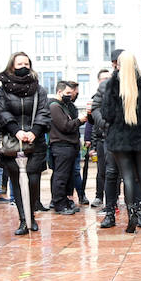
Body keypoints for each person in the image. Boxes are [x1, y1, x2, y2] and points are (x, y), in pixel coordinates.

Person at [98, 50, 141, 233]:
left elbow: (107, 114)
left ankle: (132, 214)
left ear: (118, 65)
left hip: (119, 138)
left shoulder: (112, 85)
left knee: (127, 177)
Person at [0, 51, 50, 236]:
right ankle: (23, 220)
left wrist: (34, 131)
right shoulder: (2, 90)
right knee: (16, 181)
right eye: (19, 64)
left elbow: (44, 111)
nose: (23, 67)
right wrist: (16, 130)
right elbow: (1, 112)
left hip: (36, 141)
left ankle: (31, 215)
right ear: (12, 66)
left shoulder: (39, 89)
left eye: (26, 64)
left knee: (33, 180)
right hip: (12, 141)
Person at [48, 80, 83, 214]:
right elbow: (65, 126)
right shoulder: (54, 107)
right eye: (67, 93)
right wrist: (80, 121)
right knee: (61, 176)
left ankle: (65, 201)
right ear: (59, 92)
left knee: (67, 177)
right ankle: (59, 204)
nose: (70, 95)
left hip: (69, 146)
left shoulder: (64, 106)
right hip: (61, 146)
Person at [89, 65, 118, 214]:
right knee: (102, 171)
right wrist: (92, 144)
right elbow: (92, 125)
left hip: (114, 138)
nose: (106, 81)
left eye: (108, 79)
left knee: (113, 172)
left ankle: (113, 200)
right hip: (101, 139)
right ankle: (99, 196)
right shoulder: (95, 99)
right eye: (103, 79)